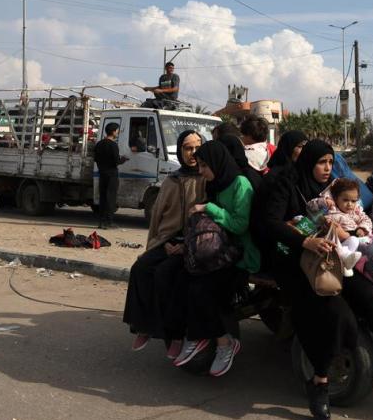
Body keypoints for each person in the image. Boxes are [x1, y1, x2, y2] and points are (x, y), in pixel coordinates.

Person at [252, 139, 373, 420]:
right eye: (321, 162)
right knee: (335, 314)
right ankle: (319, 382)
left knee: (369, 295)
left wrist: (357, 228)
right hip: (296, 261)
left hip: (333, 256)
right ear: (308, 163)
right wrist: (306, 241)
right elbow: (271, 224)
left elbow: (355, 210)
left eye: (330, 162)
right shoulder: (287, 184)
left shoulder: (333, 190)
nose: (327, 168)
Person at [172, 141, 260, 377]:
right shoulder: (216, 184)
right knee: (184, 279)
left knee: (203, 288)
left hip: (240, 254)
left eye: (204, 165)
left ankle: (219, 342)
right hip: (219, 251)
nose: (201, 171)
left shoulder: (240, 184)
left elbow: (241, 225)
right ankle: (202, 338)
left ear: (217, 163)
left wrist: (210, 208)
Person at [123, 130, 206, 359]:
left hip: (194, 245)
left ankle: (174, 335)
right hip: (168, 241)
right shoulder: (172, 180)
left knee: (164, 275)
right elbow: (158, 217)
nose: (192, 153)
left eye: (197, 148)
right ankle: (143, 326)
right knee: (140, 269)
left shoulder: (207, 179)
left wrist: (186, 244)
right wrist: (159, 244)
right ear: (180, 151)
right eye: (187, 148)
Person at [308, 178, 371, 276]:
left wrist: (362, 228)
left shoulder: (356, 211)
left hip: (347, 239)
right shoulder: (331, 206)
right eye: (345, 200)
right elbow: (310, 206)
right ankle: (344, 260)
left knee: (354, 240)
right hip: (331, 240)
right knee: (333, 236)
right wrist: (323, 202)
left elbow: (366, 220)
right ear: (336, 198)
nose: (350, 204)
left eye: (353, 201)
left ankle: (344, 262)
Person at [94, 123, 127, 229]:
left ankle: (101, 222)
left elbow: (95, 158)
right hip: (112, 175)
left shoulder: (99, 144)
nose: (118, 132)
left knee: (103, 198)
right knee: (111, 198)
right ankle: (109, 222)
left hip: (102, 173)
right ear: (113, 132)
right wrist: (124, 159)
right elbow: (116, 161)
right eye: (117, 131)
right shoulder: (113, 145)